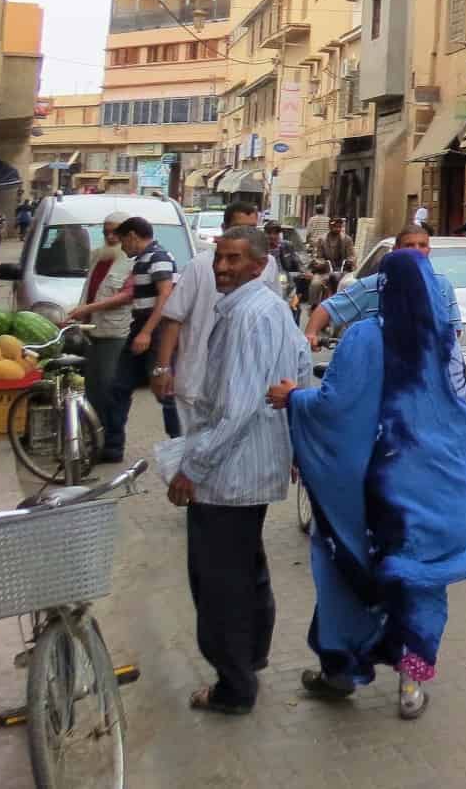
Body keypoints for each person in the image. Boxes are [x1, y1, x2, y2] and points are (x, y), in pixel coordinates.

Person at [277, 248, 466, 720]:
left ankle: (340, 671)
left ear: (382, 287)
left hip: (376, 495)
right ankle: (411, 686)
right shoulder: (444, 343)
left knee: (344, 574)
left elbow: (335, 407)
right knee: (423, 583)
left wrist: (293, 398)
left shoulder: (364, 339)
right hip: (440, 490)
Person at [167, 227, 311, 715]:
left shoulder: (249, 315)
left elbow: (236, 408)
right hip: (252, 466)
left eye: (233, 259)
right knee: (246, 569)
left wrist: (193, 467)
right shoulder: (270, 308)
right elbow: (302, 366)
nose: (222, 267)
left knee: (218, 582)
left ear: (258, 264)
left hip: (228, 473)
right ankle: (252, 657)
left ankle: (234, 686)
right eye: (219, 258)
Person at [154, 202, 281, 439]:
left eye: (253, 228)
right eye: (238, 228)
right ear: (224, 228)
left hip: (246, 385)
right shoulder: (200, 266)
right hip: (197, 382)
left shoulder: (268, 267)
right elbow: (173, 318)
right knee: (192, 453)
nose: (246, 235)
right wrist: (162, 368)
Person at [304, 224, 461, 351]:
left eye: (422, 245)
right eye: (409, 245)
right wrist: (311, 334)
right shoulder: (371, 286)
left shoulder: (442, 286)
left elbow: (454, 330)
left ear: (428, 250)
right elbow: (327, 308)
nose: (416, 250)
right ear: (396, 250)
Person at [108, 217, 181, 454]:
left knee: (164, 390)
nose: (122, 247)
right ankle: (112, 446)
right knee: (119, 385)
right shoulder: (143, 260)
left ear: (132, 236)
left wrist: (147, 332)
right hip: (141, 327)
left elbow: (166, 296)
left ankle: (180, 444)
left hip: (156, 330)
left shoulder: (158, 257)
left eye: (122, 241)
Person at [62, 211, 134, 428]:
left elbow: (127, 295)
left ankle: (110, 439)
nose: (111, 238)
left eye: (115, 233)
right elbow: (91, 290)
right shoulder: (97, 256)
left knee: (108, 387)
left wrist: (87, 308)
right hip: (91, 330)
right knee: (92, 387)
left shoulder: (132, 262)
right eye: (106, 233)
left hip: (114, 333)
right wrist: (76, 314)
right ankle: (94, 434)